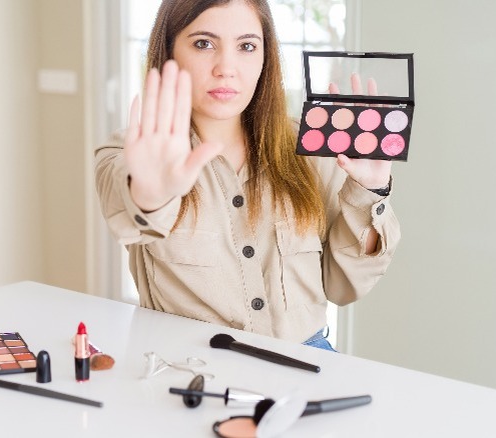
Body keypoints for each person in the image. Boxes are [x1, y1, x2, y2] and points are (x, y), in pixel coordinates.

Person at [94, 0, 400, 352]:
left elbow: (343, 287)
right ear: (169, 52)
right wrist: (151, 195)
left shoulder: (311, 149)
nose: (226, 68)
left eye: (247, 46)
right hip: (190, 366)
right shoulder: (132, 151)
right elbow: (128, 202)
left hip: (306, 359)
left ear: (265, 58)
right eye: (203, 43)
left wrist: (369, 189)